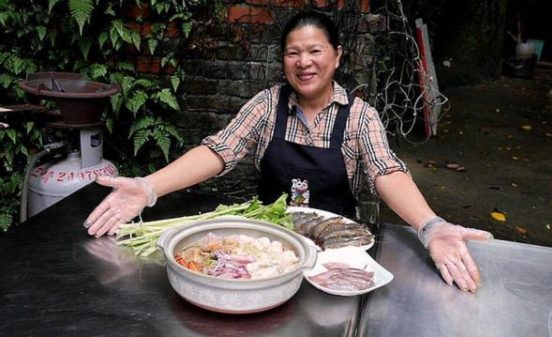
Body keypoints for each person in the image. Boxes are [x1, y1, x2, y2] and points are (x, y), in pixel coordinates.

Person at [85, 11, 493, 292]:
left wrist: (431, 226)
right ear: (283, 60)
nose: (304, 62)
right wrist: (148, 187)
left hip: (335, 256)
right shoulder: (267, 105)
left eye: (315, 51)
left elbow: (386, 171)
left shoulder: (358, 117)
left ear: (336, 56)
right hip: (266, 250)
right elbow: (219, 151)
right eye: (293, 52)